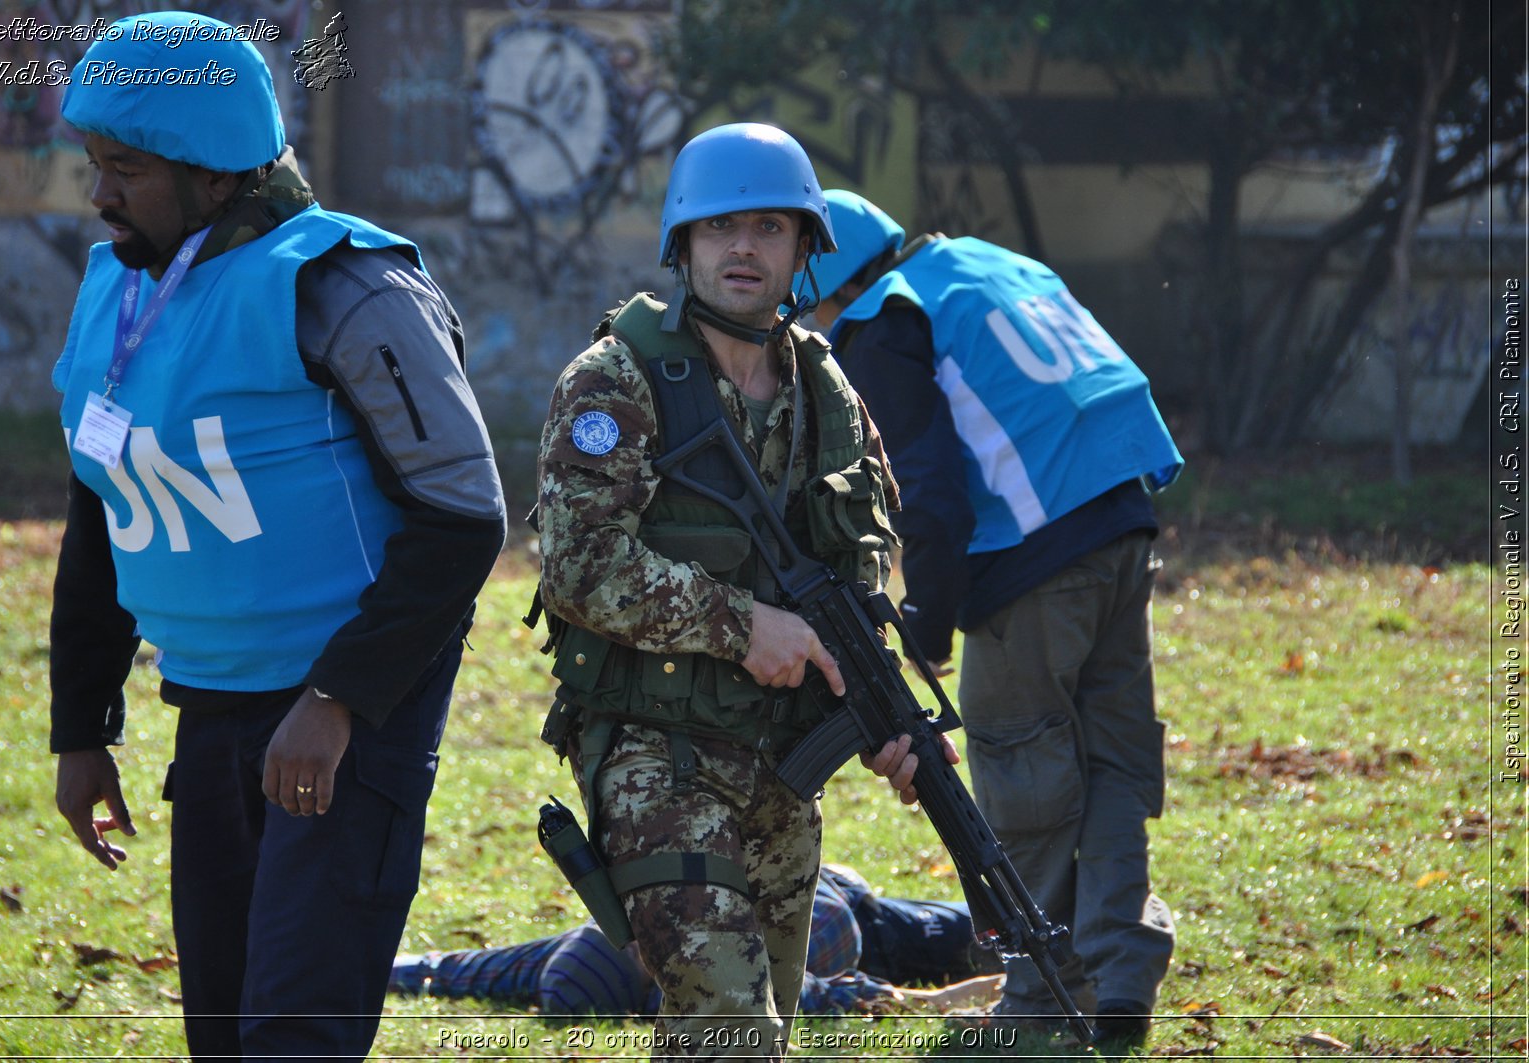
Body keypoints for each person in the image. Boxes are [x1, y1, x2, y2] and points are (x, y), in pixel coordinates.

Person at [46, 12, 506, 1060]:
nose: (100, 192)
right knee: (224, 1026)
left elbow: (463, 518)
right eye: (93, 161)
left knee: (295, 1030)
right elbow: (99, 511)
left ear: (217, 176)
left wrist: (335, 701)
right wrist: (83, 726)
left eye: (126, 166)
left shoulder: (347, 286)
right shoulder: (117, 284)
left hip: (348, 712)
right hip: (209, 706)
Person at [533, 123, 950, 1059]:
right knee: (725, 1029)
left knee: (768, 1031)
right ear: (683, 244)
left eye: (770, 226)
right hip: (654, 753)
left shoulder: (825, 389)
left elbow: (857, 575)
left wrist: (884, 718)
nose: (744, 248)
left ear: (805, 247)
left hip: (780, 763)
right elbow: (577, 565)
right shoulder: (617, 379)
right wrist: (740, 623)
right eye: (719, 227)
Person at [808, 190, 1183, 1050]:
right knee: (1115, 763)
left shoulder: (881, 322)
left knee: (1026, 781)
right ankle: (1120, 979)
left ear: (825, 283)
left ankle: (1040, 1002)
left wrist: (927, 624)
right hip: (1123, 523)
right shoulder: (985, 262)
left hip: (1029, 559)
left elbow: (931, 500)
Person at [390, 864, 1003, 1015]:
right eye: (639, 959)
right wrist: (947, 1001)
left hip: (846, 893)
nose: (641, 944)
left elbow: (463, 971)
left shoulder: (586, 950)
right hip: (884, 937)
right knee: (1010, 930)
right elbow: (824, 999)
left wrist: (388, 969)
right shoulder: (706, 993)